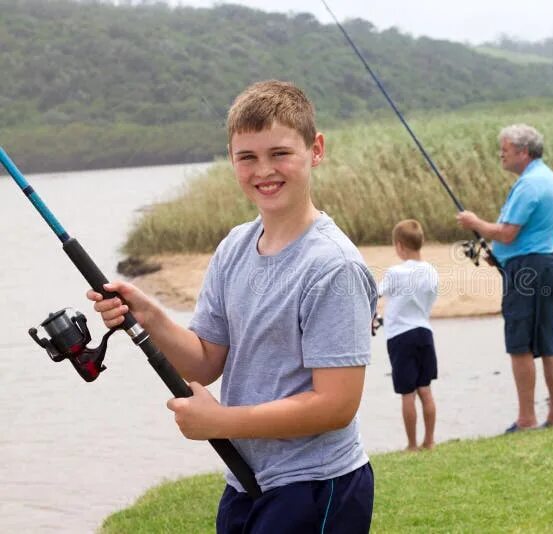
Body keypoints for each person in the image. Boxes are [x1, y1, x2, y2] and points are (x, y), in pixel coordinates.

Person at [87, 80, 377, 533]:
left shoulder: (332, 267)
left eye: (279, 153)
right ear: (232, 159)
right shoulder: (234, 247)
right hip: (246, 483)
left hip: (318, 485)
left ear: (315, 150)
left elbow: (336, 405)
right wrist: (149, 316)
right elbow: (204, 363)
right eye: (248, 157)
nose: (264, 170)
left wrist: (222, 421)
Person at [456, 123, 553, 432]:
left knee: (520, 345)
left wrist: (473, 222)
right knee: (550, 341)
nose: (500, 156)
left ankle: (527, 419)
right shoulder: (549, 179)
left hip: (528, 271)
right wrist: (500, 256)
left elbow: (506, 232)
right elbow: (522, 236)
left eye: (504, 151)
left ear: (523, 151)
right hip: (550, 266)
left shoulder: (530, 184)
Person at [377, 219, 439, 451]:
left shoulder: (396, 272)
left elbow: (376, 294)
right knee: (425, 389)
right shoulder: (432, 272)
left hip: (400, 336)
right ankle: (430, 440)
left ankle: (412, 444)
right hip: (424, 332)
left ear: (400, 246)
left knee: (407, 393)